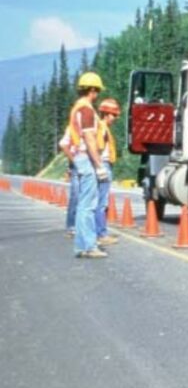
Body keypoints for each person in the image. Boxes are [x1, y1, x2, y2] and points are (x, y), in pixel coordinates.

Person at [68, 71, 109, 259]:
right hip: (86, 158)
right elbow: (90, 138)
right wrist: (99, 165)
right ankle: (90, 246)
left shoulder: (77, 107)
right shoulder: (86, 109)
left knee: (84, 205)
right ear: (92, 90)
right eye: (97, 90)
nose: (97, 94)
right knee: (89, 205)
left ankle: (82, 246)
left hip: (80, 157)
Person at [95, 98, 121, 247]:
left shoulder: (102, 127)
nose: (115, 118)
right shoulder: (102, 128)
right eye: (114, 115)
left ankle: (100, 232)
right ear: (106, 114)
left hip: (104, 164)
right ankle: (101, 234)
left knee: (101, 201)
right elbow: (98, 148)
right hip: (104, 164)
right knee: (102, 202)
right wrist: (100, 168)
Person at [58, 126, 78, 238]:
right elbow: (64, 145)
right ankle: (71, 226)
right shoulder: (72, 128)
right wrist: (74, 162)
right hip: (77, 165)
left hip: (88, 165)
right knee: (76, 197)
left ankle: (83, 227)